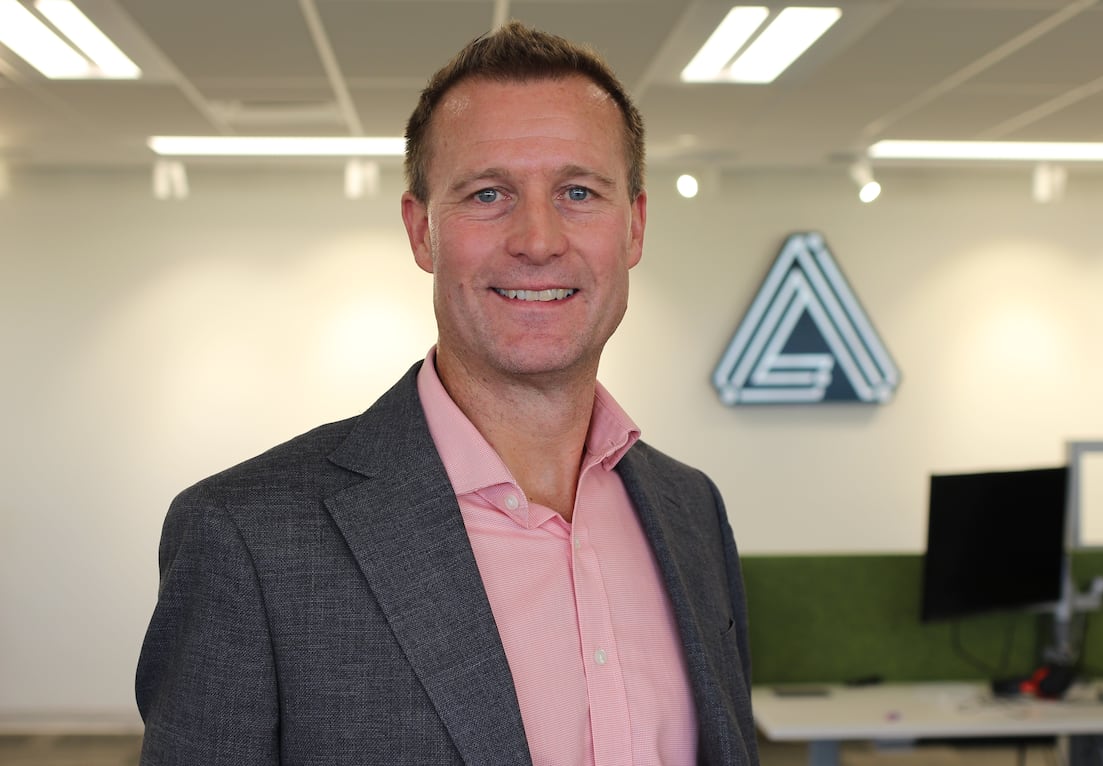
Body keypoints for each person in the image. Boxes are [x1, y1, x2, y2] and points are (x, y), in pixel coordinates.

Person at [135, 20, 759, 766]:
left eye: (579, 191)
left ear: (634, 227)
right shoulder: (248, 539)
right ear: (422, 231)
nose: (537, 238)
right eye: (488, 193)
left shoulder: (692, 512)